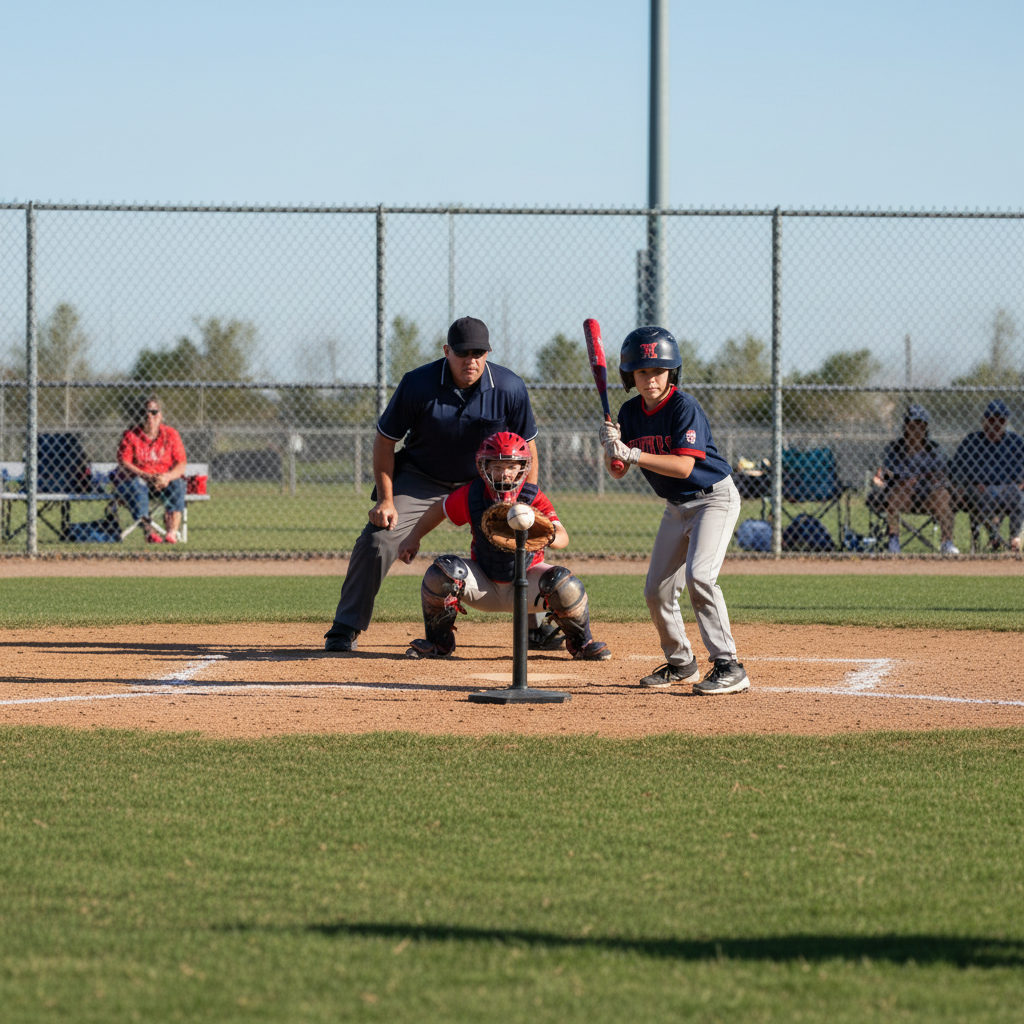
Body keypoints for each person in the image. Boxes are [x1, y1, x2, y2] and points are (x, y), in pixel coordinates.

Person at [324, 317, 540, 652]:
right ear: (446, 351)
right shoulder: (418, 384)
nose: (471, 359)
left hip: (483, 482)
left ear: (488, 352)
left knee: (517, 534)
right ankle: (345, 625)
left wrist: (525, 500)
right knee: (378, 538)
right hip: (422, 478)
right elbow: (384, 441)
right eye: (462, 351)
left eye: (478, 352)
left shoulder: (509, 387)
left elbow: (528, 448)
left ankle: (536, 627)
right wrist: (386, 500)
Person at [599, 325, 748, 695]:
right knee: (657, 590)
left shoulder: (684, 407)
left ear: (672, 373)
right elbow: (617, 472)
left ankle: (729, 665)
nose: (651, 379)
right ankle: (681, 663)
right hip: (677, 506)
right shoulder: (630, 412)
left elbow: (684, 466)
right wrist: (611, 449)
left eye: (658, 371)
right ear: (630, 375)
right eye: (643, 371)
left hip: (714, 498)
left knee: (700, 577)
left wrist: (632, 453)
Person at [397, 431, 610, 660]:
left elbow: (562, 537)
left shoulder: (533, 496)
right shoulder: (473, 494)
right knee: (442, 572)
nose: (504, 473)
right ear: (484, 467)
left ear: (522, 467)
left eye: (511, 466)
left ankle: (582, 644)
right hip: (484, 585)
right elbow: (441, 508)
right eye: (496, 466)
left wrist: (548, 536)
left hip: (527, 585)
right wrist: (413, 537)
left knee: (565, 583)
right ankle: (439, 643)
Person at [873, 404, 958, 555]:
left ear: (926, 427)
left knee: (944, 495)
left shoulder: (934, 449)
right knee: (893, 493)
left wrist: (925, 480)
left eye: (921, 425)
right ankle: (893, 540)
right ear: (906, 427)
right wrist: (899, 479)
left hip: (927, 495)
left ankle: (946, 542)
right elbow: (886, 473)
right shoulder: (895, 449)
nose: (916, 430)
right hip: (903, 496)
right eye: (912, 425)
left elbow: (942, 475)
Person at [951, 399, 1024, 552]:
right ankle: (994, 535)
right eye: (991, 419)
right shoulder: (971, 442)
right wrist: (970, 484)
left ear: (1006, 422)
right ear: (984, 421)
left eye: (1001, 420)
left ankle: (1014, 540)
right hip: (979, 490)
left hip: (1007, 490)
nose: (996, 424)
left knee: (1017, 494)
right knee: (980, 495)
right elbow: (956, 472)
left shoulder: (1016, 442)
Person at [115, 396, 188, 543]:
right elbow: (124, 461)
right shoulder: (131, 435)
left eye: (154, 412)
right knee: (137, 485)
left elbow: (181, 463)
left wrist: (167, 477)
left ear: (160, 415)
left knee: (178, 484)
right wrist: (146, 475)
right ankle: (150, 532)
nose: (149, 416)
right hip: (139, 479)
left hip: (163, 481)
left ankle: (172, 533)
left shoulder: (171, 434)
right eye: (145, 412)